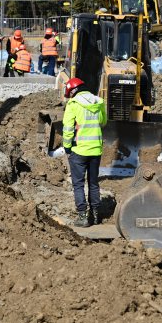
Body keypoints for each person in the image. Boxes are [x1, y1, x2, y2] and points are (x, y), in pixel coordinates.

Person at [62, 77, 107, 228]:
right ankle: (95, 215)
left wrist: (67, 147)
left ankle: (83, 216)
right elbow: (103, 122)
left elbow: (68, 129)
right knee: (93, 183)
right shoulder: (98, 102)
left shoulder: (73, 104)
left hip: (79, 150)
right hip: (96, 149)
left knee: (78, 184)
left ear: (73, 91)